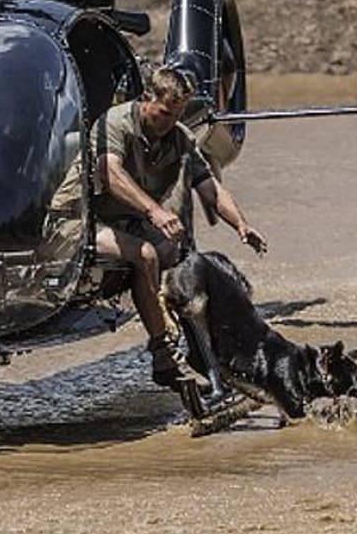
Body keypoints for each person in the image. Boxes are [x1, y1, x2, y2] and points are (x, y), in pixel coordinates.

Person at [88, 66, 268, 391]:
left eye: (177, 114)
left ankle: (204, 355)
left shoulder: (179, 137)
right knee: (145, 254)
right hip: (81, 223)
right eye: (164, 113)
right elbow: (109, 173)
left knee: (179, 255)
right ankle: (163, 358)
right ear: (147, 99)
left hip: (124, 222)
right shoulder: (116, 123)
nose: (169, 121)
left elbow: (208, 186)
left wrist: (240, 224)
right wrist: (155, 211)